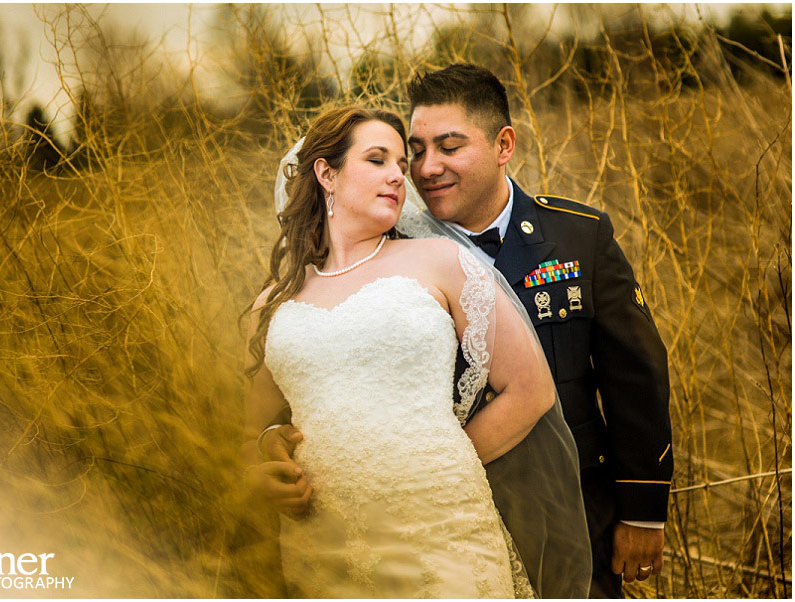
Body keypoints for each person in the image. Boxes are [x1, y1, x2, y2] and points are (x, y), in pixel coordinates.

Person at [258, 63, 673, 598]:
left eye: (449, 147)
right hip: (403, 530)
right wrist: (275, 443)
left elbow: (635, 376)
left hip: (562, 509)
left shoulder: (577, 237)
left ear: (504, 145)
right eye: (418, 151)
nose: (426, 169)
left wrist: (643, 510)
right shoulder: (374, 247)